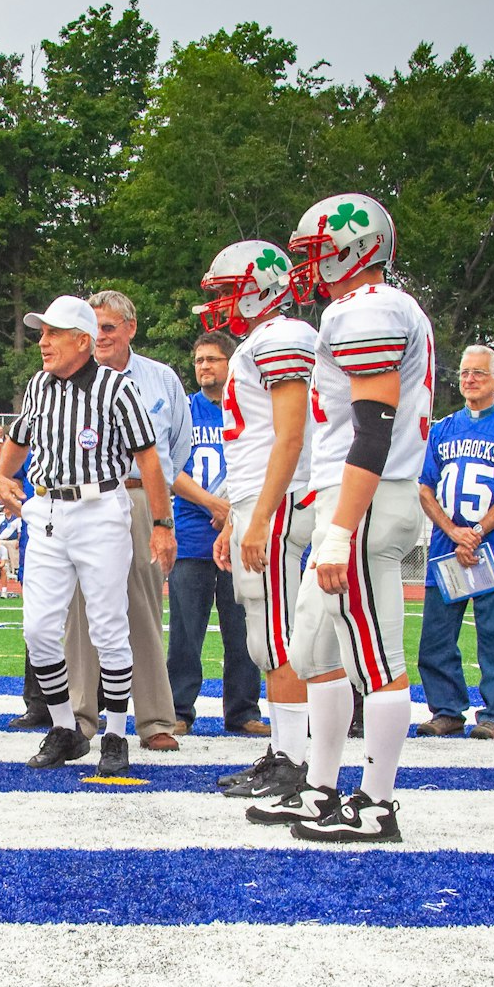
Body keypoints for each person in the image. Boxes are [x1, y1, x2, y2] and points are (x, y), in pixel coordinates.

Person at [258, 192, 432, 844]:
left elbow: (373, 429)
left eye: (315, 251)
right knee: (315, 648)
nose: (307, 266)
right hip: (345, 495)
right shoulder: (353, 310)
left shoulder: (372, 309)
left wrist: (339, 529)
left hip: (365, 497)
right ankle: (321, 786)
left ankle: (380, 803)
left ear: (354, 246)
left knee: (376, 655)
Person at [0, 295, 176, 777]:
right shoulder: (38, 385)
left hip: (101, 508)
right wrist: (1, 475)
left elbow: (149, 457)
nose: (43, 342)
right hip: (48, 507)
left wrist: (161, 524)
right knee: (39, 630)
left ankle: (114, 732)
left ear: (82, 340)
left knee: (109, 626)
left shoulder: (117, 388)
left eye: (52, 333)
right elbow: (19, 438)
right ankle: (64, 727)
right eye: (41, 333)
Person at [195, 240, 318, 802]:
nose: (221, 303)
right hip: (260, 501)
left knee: (279, 634)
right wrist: (235, 519)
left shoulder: (282, 337)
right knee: (266, 634)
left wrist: (261, 514)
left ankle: (296, 760)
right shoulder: (264, 340)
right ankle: (288, 752)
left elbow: (291, 436)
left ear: (262, 286)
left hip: (281, 500)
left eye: (228, 290)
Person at [60, 290, 190, 752]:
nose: (100, 338)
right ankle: (80, 717)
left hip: (137, 497)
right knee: (80, 610)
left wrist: (161, 518)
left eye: (109, 328)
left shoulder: (161, 380)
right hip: (85, 500)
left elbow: (175, 450)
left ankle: (155, 719)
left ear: (131, 328)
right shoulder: (66, 378)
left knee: (143, 607)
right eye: (92, 330)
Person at [415, 345, 494, 740]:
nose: (469, 379)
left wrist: (477, 532)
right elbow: (426, 488)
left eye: (479, 373)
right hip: (447, 546)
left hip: (491, 550)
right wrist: (454, 532)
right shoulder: (443, 429)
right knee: (435, 638)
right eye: (465, 373)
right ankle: (447, 710)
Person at [165, 330, 263, 735]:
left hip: (241, 538)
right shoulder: (184, 411)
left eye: (212, 359)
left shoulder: (250, 411)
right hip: (192, 536)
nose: (204, 367)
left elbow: (262, 468)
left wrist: (235, 514)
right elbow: (168, 468)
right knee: (185, 634)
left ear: (231, 363)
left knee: (242, 632)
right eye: (199, 360)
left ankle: (243, 711)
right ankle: (178, 709)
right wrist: (212, 504)